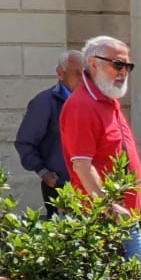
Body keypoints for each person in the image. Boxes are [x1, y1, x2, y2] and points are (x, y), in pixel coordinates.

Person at [60, 35, 141, 263]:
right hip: (101, 219)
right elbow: (81, 165)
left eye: (128, 66)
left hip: (123, 216)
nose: (123, 72)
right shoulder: (82, 105)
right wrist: (108, 206)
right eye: (117, 64)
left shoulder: (108, 100)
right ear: (93, 64)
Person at [14, 50, 84, 217]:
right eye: (77, 73)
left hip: (91, 187)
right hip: (60, 186)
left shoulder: (92, 102)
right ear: (61, 73)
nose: (83, 79)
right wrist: (43, 172)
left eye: (86, 74)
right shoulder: (45, 102)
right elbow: (25, 142)